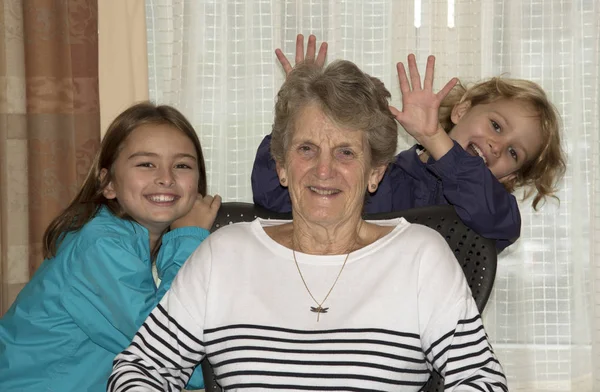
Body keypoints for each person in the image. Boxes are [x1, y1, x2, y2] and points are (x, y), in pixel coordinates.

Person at [107, 61, 507, 391]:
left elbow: (481, 379)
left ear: (375, 173)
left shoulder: (420, 255)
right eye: (306, 149)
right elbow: (139, 368)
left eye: (346, 152)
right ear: (281, 165)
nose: (324, 170)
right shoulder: (223, 253)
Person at [252, 34, 566, 251]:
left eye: (513, 152)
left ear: (510, 177)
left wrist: (434, 137)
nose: (497, 146)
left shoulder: (493, 210)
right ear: (461, 110)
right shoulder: (384, 175)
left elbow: (498, 221)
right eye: (496, 125)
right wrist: (296, 112)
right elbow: (273, 196)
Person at [0, 102, 221, 391]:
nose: (166, 178)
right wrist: (187, 238)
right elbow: (166, 350)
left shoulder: (128, 241)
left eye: (182, 165)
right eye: (146, 164)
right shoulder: (100, 245)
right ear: (108, 184)